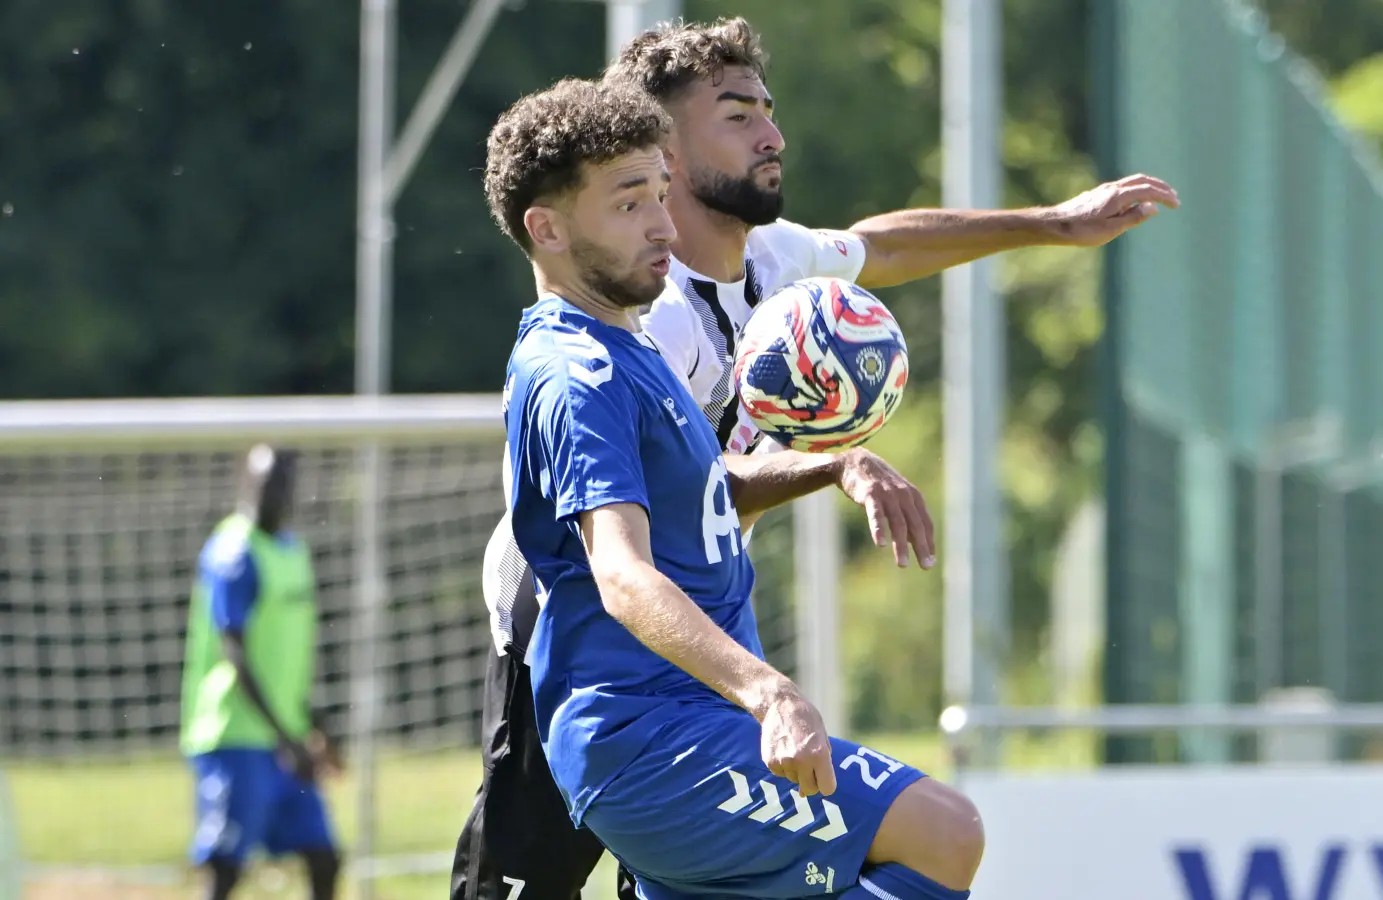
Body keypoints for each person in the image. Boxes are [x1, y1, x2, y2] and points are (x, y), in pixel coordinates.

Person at [452, 18, 1180, 900]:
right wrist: (824, 488)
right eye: (738, 115)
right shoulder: (634, 328)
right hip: (578, 648)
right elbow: (624, 550)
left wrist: (1053, 224)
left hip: (691, 658)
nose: (772, 134)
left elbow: (887, 244)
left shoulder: (760, 266)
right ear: (669, 150)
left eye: (769, 109)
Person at [485, 76, 984, 900]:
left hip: (690, 722)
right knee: (944, 835)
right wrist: (770, 691)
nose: (662, 222)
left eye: (660, 192)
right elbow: (621, 572)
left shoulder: (627, 345)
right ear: (548, 229)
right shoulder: (575, 371)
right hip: (650, 740)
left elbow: (701, 489)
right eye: (627, 203)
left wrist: (827, 463)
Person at [179, 445, 342, 900]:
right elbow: (237, 656)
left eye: (281, 483)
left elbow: (285, 656)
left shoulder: (293, 551)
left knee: (324, 855)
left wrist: (313, 726)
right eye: (264, 482)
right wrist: (287, 738)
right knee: (226, 867)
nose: (271, 493)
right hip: (234, 736)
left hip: (282, 736)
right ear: (244, 482)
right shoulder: (233, 554)